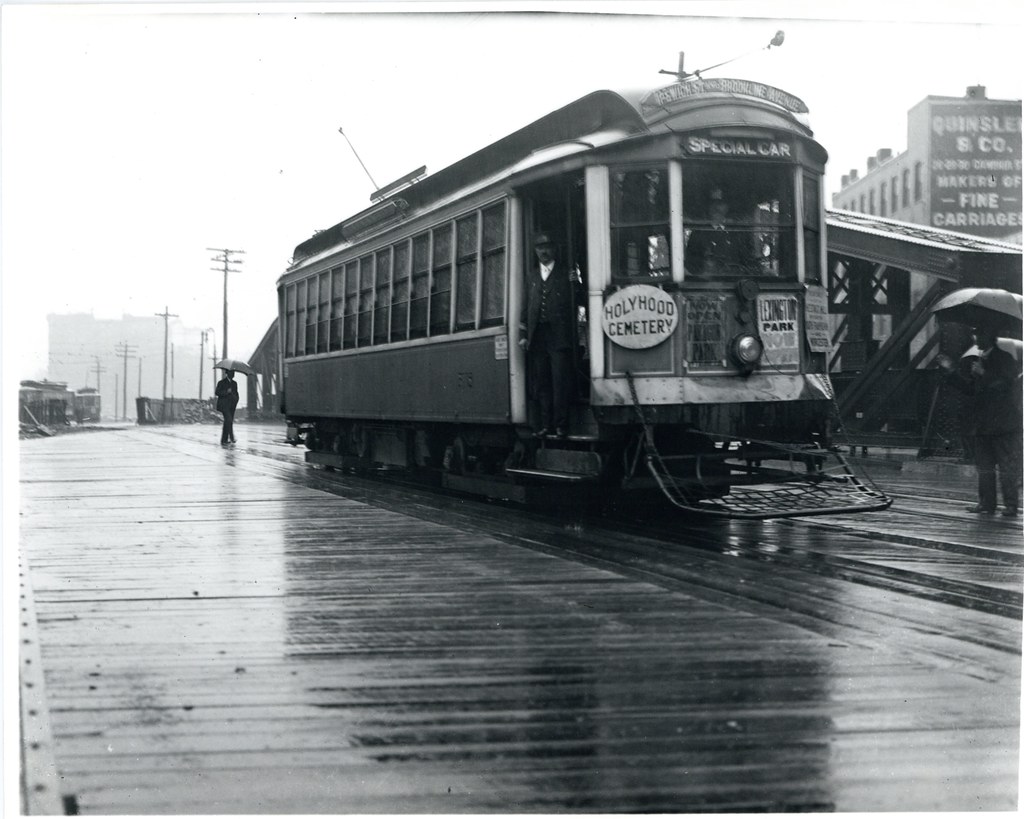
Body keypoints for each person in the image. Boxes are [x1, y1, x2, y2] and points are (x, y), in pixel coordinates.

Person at [937, 326, 1022, 516]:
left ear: (990, 336)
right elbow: (971, 390)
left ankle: (1010, 505)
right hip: (983, 425)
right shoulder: (979, 360)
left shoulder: (1004, 359)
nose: (976, 337)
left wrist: (984, 374)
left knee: (1007, 467)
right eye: (975, 333)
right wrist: (951, 371)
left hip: (1002, 425)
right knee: (984, 467)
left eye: (979, 333)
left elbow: (1006, 385)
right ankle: (986, 503)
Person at [518, 233, 582, 438]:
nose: (543, 251)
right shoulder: (532, 276)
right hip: (538, 337)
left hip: (559, 336)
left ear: (554, 249)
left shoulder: (566, 274)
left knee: (560, 381)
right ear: (535, 251)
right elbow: (525, 308)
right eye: (539, 248)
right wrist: (524, 334)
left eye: (547, 247)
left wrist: (577, 284)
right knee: (543, 382)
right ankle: (546, 425)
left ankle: (561, 425)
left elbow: (580, 301)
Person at [685, 187, 750, 277]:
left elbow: (746, 260)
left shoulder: (736, 233)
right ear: (708, 207)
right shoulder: (698, 233)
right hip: (707, 284)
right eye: (713, 204)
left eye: (720, 204)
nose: (716, 208)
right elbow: (690, 263)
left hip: (734, 281)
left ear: (727, 207)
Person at [215, 369, 239, 446]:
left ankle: (224, 440)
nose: (233, 374)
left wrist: (236, 400)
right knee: (229, 420)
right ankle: (232, 437)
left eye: (234, 373)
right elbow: (217, 392)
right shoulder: (221, 382)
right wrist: (226, 392)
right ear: (227, 373)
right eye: (231, 373)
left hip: (232, 405)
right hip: (224, 405)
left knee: (228, 421)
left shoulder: (234, 383)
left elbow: (236, 394)